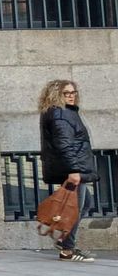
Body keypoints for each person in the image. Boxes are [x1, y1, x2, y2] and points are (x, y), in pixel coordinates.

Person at [39, 79, 97, 263]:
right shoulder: (60, 115)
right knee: (75, 208)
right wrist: (74, 170)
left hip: (74, 167)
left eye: (73, 92)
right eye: (66, 93)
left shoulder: (63, 112)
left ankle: (64, 238)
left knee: (85, 204)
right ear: (56, 94)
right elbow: (64, 144)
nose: (71, 96)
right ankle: (67, 250)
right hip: (73, 169)